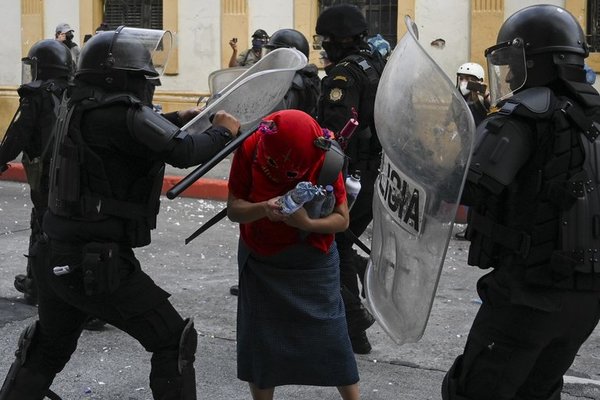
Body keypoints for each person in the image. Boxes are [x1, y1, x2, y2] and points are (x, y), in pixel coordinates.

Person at [0, 26, 240, 399]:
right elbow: (184, 152)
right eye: (141, 75)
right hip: (93, 260)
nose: (147, 83)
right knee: (173, 339)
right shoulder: (118, 112)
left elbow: (140, 132)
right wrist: (224, 131)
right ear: (120, 78)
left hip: (55, 251)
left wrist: (177, 116)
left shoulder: (79, 104)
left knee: (48, 347)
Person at [442, 5, 600, 400]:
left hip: (528, 293)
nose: (509, 75)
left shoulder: (522, 115)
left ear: (535, 62)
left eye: (513, 63)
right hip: (587, 300)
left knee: (474, 391)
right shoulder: (596, 117)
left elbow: (466, 188)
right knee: (539, 392)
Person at [227, 109, 360, 400]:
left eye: (293, 170)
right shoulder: (251, 148)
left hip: (313, 261)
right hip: (261, 259)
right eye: (274, 164)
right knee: (261, 343)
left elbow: (342, 220)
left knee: (333, 339)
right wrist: (264, 208)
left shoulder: (327, 157)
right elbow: (234, 210)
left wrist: (308, 224)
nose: (282, 172)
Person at [315, 4, 387, 354]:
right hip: (377, 172)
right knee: (341, 241)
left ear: (340, 39)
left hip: (351, 175)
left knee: (332, 243)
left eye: (327, 40)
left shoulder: (343, 75)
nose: (324, 46)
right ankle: (351, 329)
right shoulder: (377, 64)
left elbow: (335, 135)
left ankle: (353, 322)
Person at [0, 39, 74, 306]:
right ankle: (43, 282)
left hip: (46, 175)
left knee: (42, 226)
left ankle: (38, 286)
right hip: (73, 174)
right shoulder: (75, 91)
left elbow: (18, 135)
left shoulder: (36, 95)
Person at [453, 62, 490, 240]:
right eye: (461, 78)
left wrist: (487, 97)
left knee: (477, 192)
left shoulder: (483, 101)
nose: (464, 82)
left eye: (469, 79)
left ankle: (474, 229)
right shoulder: (458, 100)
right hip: (464, 151)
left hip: (482, 153)